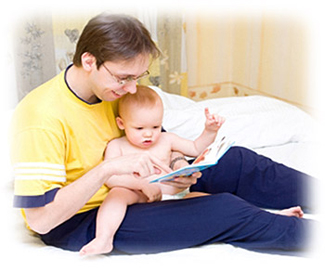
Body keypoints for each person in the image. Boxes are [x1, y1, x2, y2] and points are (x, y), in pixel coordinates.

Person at [11, 13, 315, 255]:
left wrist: (179, 166)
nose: (131, 89)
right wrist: (106, 171)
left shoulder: (111, 91)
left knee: (236, 162)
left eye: (137, 77)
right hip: (84, 218)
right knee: (223, 210)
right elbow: (41, 220)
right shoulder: (41, 117)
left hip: (147, 183)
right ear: (89, 61)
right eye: (124, 78)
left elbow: (158, 138)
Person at [79, 85, 304, 256]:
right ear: (121, 124)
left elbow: (196, 148)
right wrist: (140, 184)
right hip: (137, 195)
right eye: (139, 128)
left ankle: (271, 216)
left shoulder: (166, 140)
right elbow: (111, 179)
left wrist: (209, 131)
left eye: (155, 127)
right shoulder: (117, 146)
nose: (149, 135)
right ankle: (103, 237)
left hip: (174, 194)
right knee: (117, 196)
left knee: (216, 202)